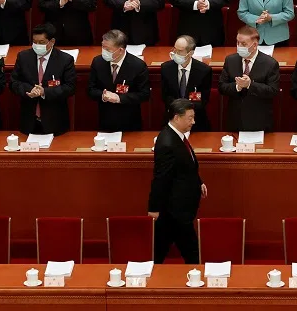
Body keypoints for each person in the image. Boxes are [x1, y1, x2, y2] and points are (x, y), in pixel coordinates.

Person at [148, 98, 207, 264]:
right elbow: (161, 178)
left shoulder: (177, 136)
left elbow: (186, 165)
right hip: (175, 209)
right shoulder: (167, 142)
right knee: (190, 251)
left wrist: (199, 182)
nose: (193, 122)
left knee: (161, 249)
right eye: (190, 118)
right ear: (176, 117)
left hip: (178, 208)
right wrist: (154, 208)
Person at [10, 23, 77, 135]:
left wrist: (44, 92)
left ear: (52, 41)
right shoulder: (23, 57)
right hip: (28, 121)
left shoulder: (65, 60)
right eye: (34, 42)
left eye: (41, 42)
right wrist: (29, 90)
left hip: (55, 122)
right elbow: (13, 83)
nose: (37, 45)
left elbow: (70, 87)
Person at [218, 26, 280, 131]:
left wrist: (250, 85)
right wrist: (237, 86)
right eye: (237, 42)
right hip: (235, 120)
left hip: (259, 120)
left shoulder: (270, 64)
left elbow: (273, 91)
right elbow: (221, 87)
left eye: (243, 44)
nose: (239, 46)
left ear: (254, 45)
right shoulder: (230, 60)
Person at [88, 29, 151, 131]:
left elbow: (144, 94)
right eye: (103, 47)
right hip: (105, 120)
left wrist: (119, 98)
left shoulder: (138, 66)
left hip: (130, 122)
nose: (104, 51)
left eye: (108, 49)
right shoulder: (98, 62)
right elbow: (91, 89)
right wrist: (103, 95)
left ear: (121, 50)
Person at [160, 36, 212, 131]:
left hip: (195, 119)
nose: (175, 53)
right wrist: (178, 111)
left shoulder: (203, 71)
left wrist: (186, 113)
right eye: (175, 49)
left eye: (180, 51)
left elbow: (203, 99)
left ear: (190, 53)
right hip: (173, 118)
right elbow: (165, 96)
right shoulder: (166, 68)